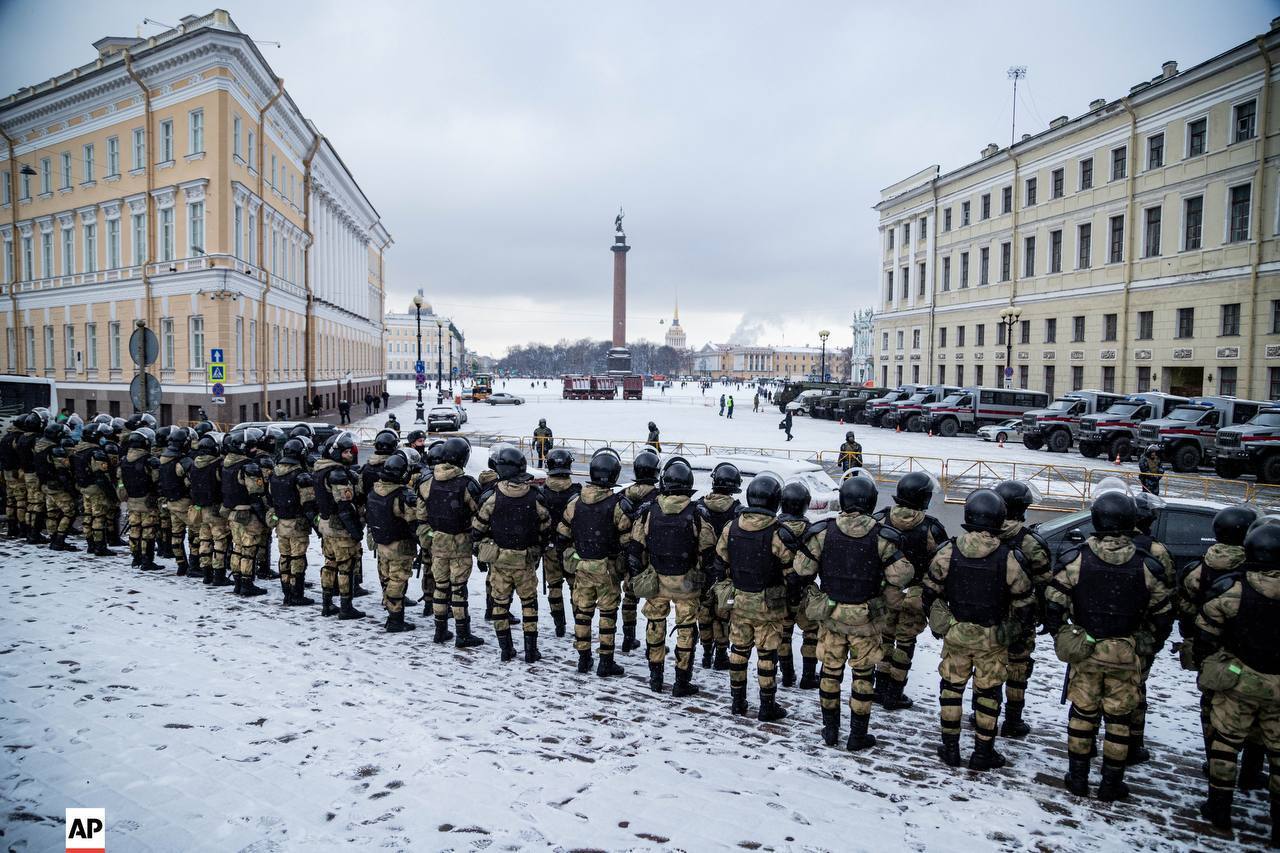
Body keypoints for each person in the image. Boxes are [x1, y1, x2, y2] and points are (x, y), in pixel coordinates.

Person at [1043, 491, 1172, 800]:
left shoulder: (1076, 559)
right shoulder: (1148, 566)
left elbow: (1051, 604)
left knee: (1082, 715)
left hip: (1086, 650)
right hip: (1126, 654)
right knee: (1119, 721)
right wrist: (1145, 644)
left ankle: (1077, 777)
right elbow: (1164, 615)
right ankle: (1111, 784)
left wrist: (1065, 636)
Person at [793, 473, 914, 749]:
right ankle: (858, 735)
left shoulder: (823, 532)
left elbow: (802, 569)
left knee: (830, 673)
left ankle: (831, 729)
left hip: (832, 617)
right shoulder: (882, 536)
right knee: (862, 677)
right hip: (866, 620)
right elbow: (902, 575)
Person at [923, 489, 1034, 771]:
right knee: (988, 695)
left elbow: (929, 592)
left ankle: (950, 748)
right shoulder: (1009, 557)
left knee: (951, 690)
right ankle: (983, 752)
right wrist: (1012, 631)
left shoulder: (948, 550)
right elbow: (1025, 601)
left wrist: (942, 623)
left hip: (957, 634)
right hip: (992, 639)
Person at [1194, 523, 1280, 840]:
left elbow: (1205, 634)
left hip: (1237, 682)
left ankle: (1219, 808)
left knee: (1225, 748)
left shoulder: (1232, 590)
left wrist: (1215, 665)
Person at [628, 459, 717, 696]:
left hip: (656, 580)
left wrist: (639, 575)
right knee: (686, 631)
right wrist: (706, 580)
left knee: (654, 627)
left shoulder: (648, 512)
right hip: (686, 583)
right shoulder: (697, 514)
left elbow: (636, 548)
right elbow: (708, 552)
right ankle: (681, 681)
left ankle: (655, 676)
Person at [1178, 505, 1259, 767]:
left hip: (1211, 652)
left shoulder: (1198, 569)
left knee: (1211, 707)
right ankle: (1250, 768)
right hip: (1255, 653)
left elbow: (1186, 609)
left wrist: (1198, 638)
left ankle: (1215, 758)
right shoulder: (1258, 570)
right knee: (1260, 714)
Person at [716, 473, 797, 721]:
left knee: (738, 651)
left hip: (739, 600)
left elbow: (720, 562)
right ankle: (767, 705)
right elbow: (791, 572)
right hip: (768, 604)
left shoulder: (732, 527)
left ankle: (737, 701)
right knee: (766, 655)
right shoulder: (778, 532)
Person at [873, 471, 947, 710]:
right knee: (905, 643)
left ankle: (879, 687)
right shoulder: (931, 528)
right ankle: (895, 692)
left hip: (885, 592)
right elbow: (941, 565)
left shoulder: (880, 520)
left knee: (885, 638)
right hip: (915, 595)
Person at [473, 446, 552, 662]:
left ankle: (506, 649)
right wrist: (538, 548)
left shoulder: (492, 497)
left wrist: (483, 549)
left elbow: (477, 528)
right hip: (525, 560)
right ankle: (531, 650)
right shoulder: (535, 497)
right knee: (529, 604)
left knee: (500, 604)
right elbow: (546, 528)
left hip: (499, 561)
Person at [559, 448, 633, 677]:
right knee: (607, 614)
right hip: (607, 568)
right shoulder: (617, 505)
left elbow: (562, 534)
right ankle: (605, 661)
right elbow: (627, 540)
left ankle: (583, 658)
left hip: (582, 566)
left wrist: (574, 554)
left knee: (583, 613)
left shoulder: (575, 502)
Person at [991, 480, 1052, 739]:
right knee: (1017, 668)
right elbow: (1045, 584)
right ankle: (1013, 720)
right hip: (1020, 617)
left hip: (988, 615)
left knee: (988, 667)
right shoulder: (1030, 542)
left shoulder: (985, 533)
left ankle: (984, 713)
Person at [419, 436, 485, 647]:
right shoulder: (467, 484)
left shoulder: (428, 482)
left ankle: (440, 630)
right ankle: (463, 634)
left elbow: (420, 515)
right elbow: (480, 514)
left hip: (437, 542)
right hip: (460, 543)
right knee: (458, 590)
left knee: (440, 587)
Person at [695, 462, 742, 670]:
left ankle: (706, 652)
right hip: (726, 572)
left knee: (704, 613)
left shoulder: (698, 506)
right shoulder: (738, 512)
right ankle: (721, 653)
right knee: (723, 613)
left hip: (701, 570)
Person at [368, 449, 420, 633]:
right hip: (400, 545)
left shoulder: (375, 490)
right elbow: (414, 523)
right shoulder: (403, 495)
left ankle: (392, 614)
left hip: (382, 543)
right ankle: (396, 620)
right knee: (398, 582)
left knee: (388, 579)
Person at [317, 433, 366, 618]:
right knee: (346, 567)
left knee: (329, 564)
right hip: (340, 528)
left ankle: (327, 603)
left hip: (326, 525)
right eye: (345, 452)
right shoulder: (336, 474)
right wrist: (355, 531)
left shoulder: (321, 470)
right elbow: (344, 506)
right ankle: (346, 607)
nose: (350, 455)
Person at [777, 481, 818, 688]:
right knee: (811, 633)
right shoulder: (813, 531)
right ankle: (809, 676)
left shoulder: (773, 529)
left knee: (784, 633)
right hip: (806, 591)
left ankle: (787, 674)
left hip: (781, 590)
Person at [268, 438, 318, 606]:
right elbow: (308, 504)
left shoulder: (274, 473)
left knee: (285, 557)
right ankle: (297, 594)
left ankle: (287, 593)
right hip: (297, 524)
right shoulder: (300, 476)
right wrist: (317, 525)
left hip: (281, 522)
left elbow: (270, 497)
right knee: (297, 559)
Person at [620, 449, 661, 653]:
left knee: (629, 596)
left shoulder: (623, 493)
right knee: (652, 601)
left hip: (624, 552)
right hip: (648, 553)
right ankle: (651, 644)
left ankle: (628, 638)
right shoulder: (658, 497)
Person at [538, 448, 579, 637]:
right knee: (575, 587)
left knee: (554, 587)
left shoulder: (541, 493)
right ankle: (580, 623)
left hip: (549, 547)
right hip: (571, 549)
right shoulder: (577, 492)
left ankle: (559, 625)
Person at [121, 427, 163, 571]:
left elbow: (120, 482)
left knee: (134, 530)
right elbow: (157, 480)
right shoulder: (150, 460)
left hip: (132, 500)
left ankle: (135, 558)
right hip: (147, 501)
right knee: (148, 531)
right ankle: (147, 561)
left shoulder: (124, 460)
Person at [189, 435, 227, 583]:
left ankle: (206, 573)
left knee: (204, 539)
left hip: (200, 508)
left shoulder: (193, 464)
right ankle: (218, 575)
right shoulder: (217, 465)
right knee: (219, 541)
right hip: (215, 508)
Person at [158, 428, 195, 576]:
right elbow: (192, 482)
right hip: (184, 502)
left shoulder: (164, 459)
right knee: (196, 533)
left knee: (176, 534)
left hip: (171, 502)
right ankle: (195, 565)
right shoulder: (183, 461)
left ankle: (181, 564)